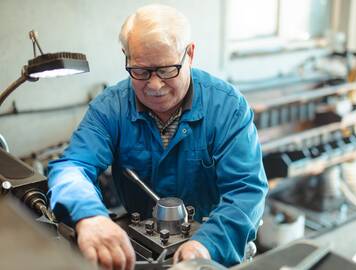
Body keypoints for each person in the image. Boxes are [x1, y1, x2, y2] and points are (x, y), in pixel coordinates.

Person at [47, 4, 268, 270]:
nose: (154, 85)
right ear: (126, 57)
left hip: (213, 250)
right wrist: (90, 216)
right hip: (141, 253)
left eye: (166, 70)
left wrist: (205, 245)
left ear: (190, 54)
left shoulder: (227, 108)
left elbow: (246, 190)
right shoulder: (110, 108)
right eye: (141, 71)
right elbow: (72, 168)